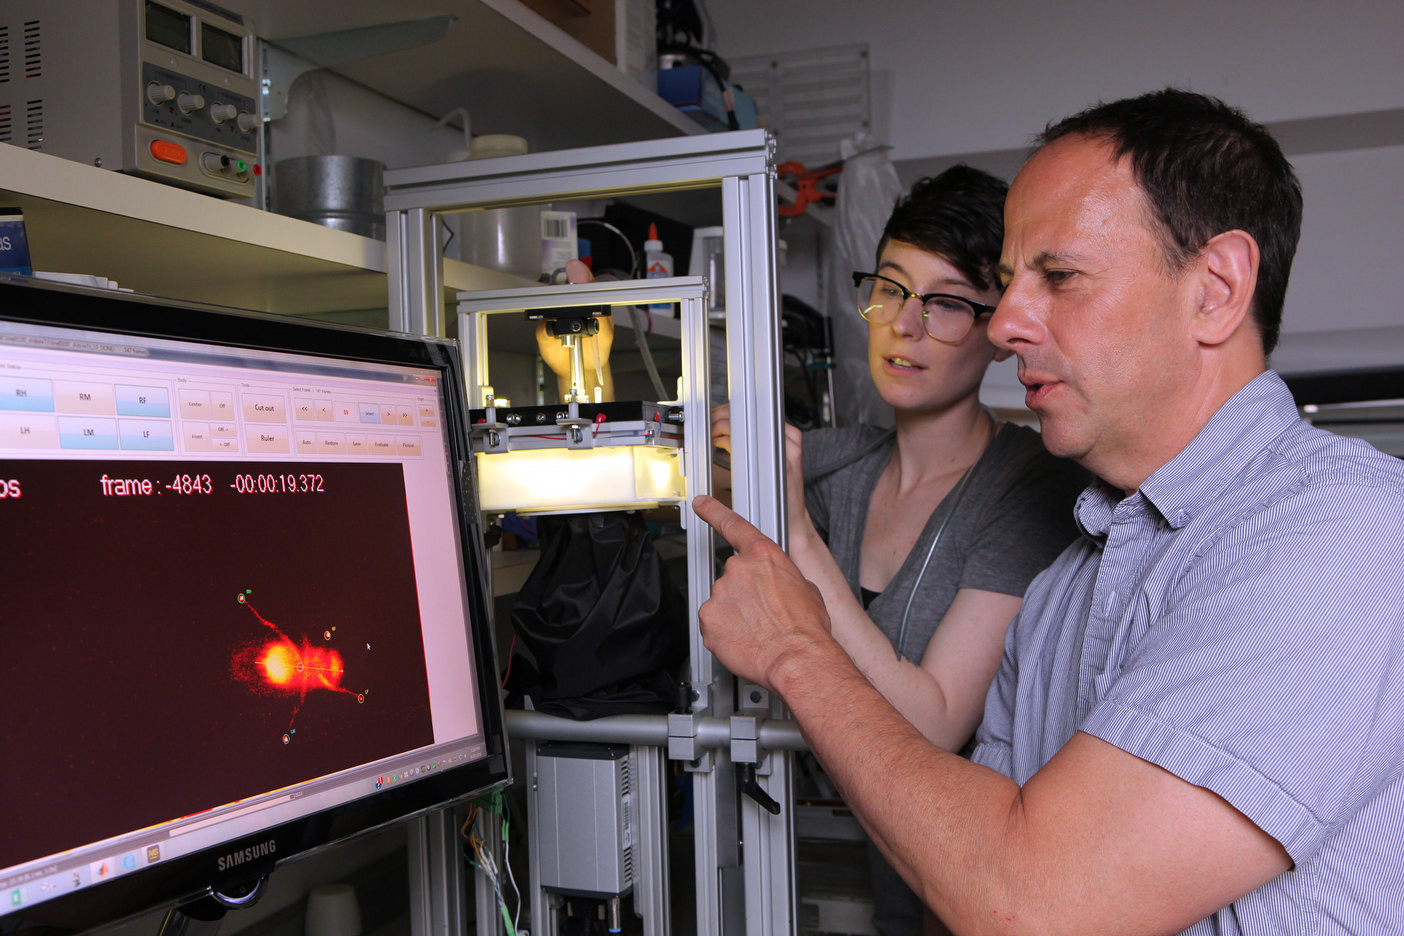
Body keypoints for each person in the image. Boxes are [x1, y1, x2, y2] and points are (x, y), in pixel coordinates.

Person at [692, 88, 1404, 934]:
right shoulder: (1068, 581)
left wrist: (798, 651)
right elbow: (970, 851)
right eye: (1006, 284)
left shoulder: (1340, 533)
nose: (1005, 327)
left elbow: (1033, 901)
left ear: (1215, 289)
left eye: (1058, 277)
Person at [714, 167, 1086, 936]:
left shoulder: (1024, 487)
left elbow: (934, 723)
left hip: (950, 895)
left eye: (947, 303)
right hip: (811, 868)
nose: (903, 326)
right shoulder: (844, 460)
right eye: (889, 289)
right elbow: (720, 472)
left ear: (997, 329)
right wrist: (711, 439)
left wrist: (800, 536)